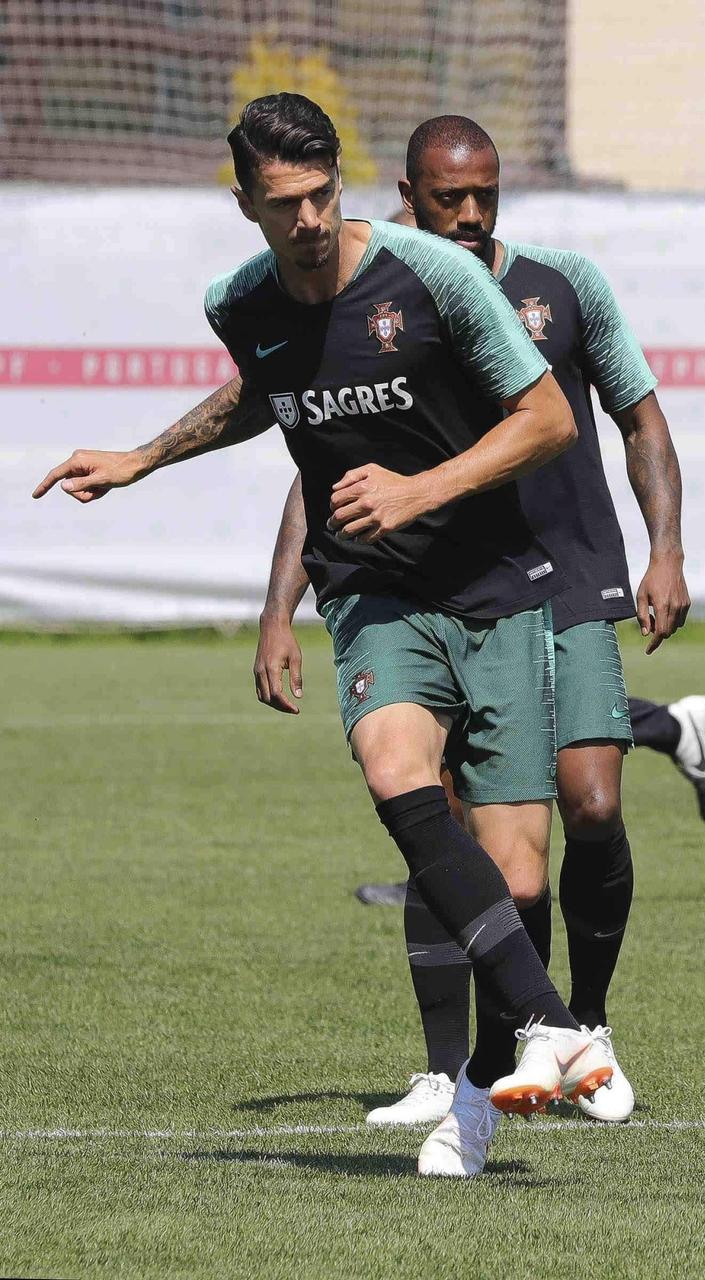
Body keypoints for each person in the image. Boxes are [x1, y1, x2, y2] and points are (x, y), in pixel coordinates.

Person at [34, 92, 618, 1176]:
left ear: (342, 184)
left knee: (518, 878)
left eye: (320, 196)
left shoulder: (432, 275)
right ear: (247, 202)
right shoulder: (239, 299)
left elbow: (547, 419)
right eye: (282, 202)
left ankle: (482, 1096)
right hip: (376, 596)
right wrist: (139, 457)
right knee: (393, 765)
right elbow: (266, 390)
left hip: (499, 584)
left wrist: (419, 488)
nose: (306, 220)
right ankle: (552, 1020)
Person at [247, 115, 705, 1134]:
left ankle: (579, 1018)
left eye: (487, 196)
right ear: (408, 196)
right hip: (443, 588)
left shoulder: (564, 287)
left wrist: (665, 548)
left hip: (572, 572)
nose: (470, 214)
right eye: (449, 197)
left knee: (588, 802)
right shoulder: (381, 298)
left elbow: (641, 418)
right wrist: (278, 607)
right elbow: (318, 466)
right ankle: (474, 1059)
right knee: (450, 815)